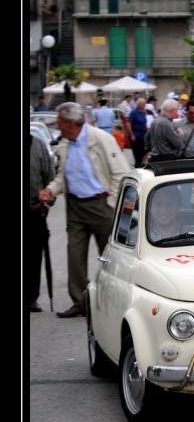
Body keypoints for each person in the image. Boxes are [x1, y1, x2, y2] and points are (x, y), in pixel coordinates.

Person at [38, 102, 130, 318]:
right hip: (76, 207)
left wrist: (111, 203)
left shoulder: (100, 139)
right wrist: (50, 190)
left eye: (60, 123)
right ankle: (81, 303)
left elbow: (121, 173)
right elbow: (63, 176)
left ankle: (116, 301)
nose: (57, 127)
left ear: (71, 122)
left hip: (101, 205)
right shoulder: (66, 143)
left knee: (110, 257)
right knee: (74, 255)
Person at [30, 133, 56, 312]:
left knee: (33, 255)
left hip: (34, 210)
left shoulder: (38, 146)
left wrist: (46, 205)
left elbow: (50, 178)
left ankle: (31, 297)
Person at [143, 98, 186, 163]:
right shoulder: (167, 124)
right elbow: (177, 143)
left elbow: (146, 138)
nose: (176, 113)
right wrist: (181, 134)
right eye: (176, 111)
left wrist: (151, 150)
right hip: (167, 159)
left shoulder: (155, 121)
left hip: (154, 158)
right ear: (172, 110)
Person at [127, 98, 147, 165]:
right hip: (135, 136)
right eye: (144, 104)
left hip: (143, 136)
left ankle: (140, 166)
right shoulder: (134, 112)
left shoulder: (143, 112)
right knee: (137, 155)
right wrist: (132, 135)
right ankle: (137, 167)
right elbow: (129, 123)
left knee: (143, 153)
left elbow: (144, 123)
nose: (145, 105)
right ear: (139, 105)